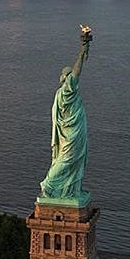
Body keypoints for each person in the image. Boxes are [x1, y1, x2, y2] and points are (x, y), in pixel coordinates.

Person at [40, 32, 91, 201]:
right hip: (71, 134)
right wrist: (82, 52)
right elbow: (77, 71)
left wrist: (84, 49)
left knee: (71, 160)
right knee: (66, 159)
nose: (71, 77)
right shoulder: (66, 92)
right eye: (68, 75)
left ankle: (69, 189)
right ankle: (49, 184)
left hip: (70, 132)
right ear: (66, 79)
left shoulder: (63, 94)